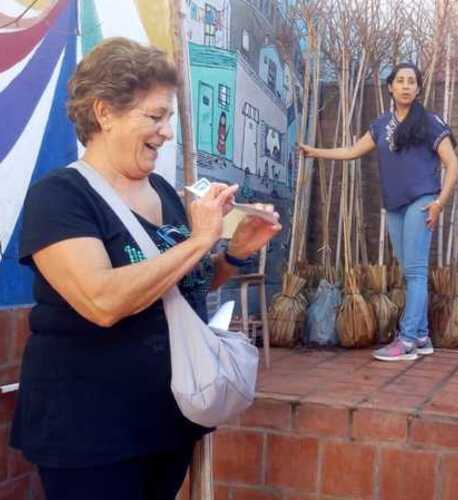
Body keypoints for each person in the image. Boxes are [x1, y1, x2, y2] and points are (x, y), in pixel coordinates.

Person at [10, 38, 281, 500]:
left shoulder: (164, 192)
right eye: (155, 117)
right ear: (104, 113)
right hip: (91, 433)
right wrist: (198, 240)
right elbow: (102, 301)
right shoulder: (60, 197)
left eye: (169, 118)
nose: (167, 132)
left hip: (166, 420)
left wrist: (231, 254)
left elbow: (181, 287)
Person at [300, 62, 458, 362]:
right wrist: (315, 152)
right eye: (400, 81)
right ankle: (423, 336)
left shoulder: (430, 123)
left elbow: (453, 165)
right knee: (409, 270)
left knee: (415, 271)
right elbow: (351, 151)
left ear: (419, 88)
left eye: (412, 81)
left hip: (422, 201)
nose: (406, 86)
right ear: (390, 87)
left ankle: (408, 339)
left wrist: (439, 203)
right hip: (395, 206)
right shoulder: (380, 124)